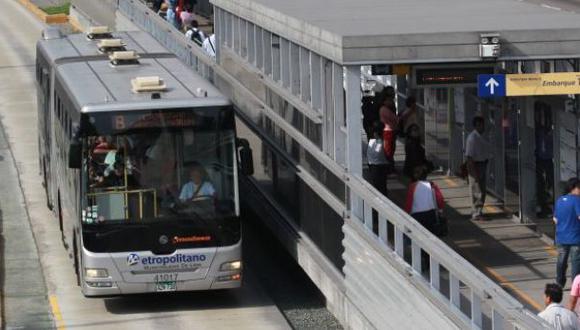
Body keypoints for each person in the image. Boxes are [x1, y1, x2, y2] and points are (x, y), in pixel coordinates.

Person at [554, 178, 580, 288]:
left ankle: (559, 283)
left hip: (561, 237)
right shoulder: (577, 200)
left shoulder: (559, 200)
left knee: (561, 261)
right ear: (573, 188)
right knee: (576, 263)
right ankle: (575, 286)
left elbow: (555, 219)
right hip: (575, 237)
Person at [465, 116, 492, 221]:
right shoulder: (472, 138)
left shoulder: (481, 136)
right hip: (475, 165)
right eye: (480, 125)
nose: (483, 127)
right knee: (477, 189)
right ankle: (476, 213)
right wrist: (473, 173)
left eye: (483, 124)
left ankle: (478, 211)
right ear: (476, 125)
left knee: (482, 189)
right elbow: (469, 157)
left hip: (482, 164)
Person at [404, 165, 444, 234]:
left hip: (416, 215)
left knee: (417, 234)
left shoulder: (412, 186)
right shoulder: (432, 185)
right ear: (426, 175)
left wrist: (406, 213)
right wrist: (440, 210)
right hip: (430, 214)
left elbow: (409, 202)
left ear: (415, 175)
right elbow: (439, 198)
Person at [367, 121, 388, 196]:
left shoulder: (375, 142)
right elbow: (378, 153)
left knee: (378, 185)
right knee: (381, 185)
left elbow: (376, 153)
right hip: (378, 165)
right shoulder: (378, 142)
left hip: (376, 166)